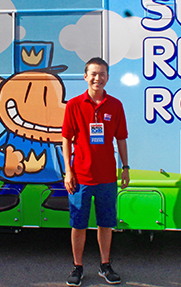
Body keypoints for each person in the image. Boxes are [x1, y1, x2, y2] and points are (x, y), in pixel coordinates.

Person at [62, 57, 129, 286]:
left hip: (107, 177)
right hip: (80, 177)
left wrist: (125, 168)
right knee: (78, 224)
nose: (97, 78)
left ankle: (105, 265)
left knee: (105, 224)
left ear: (108, 77)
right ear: (85, 76)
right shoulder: (74, 104)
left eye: (102, 74)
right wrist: (68, 172)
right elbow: (66, 139)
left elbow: (121, 139)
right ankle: (77, 267)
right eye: (93, 73)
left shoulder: (115, 105)